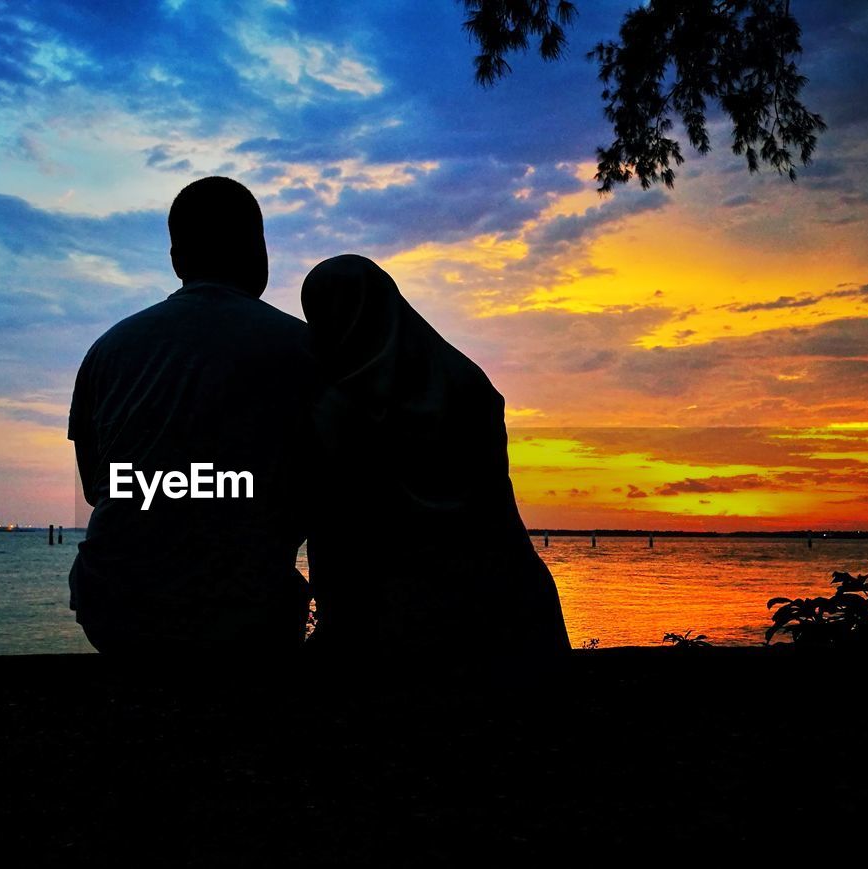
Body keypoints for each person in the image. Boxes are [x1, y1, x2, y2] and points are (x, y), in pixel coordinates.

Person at [67, 177, 315, 664]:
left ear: (177, 258)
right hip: (249, 617)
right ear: (258, 250)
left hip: (115, 613)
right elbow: (325, 494)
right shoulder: (305, 347)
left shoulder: (108, 348)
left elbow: (98, 487)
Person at [301, 254, 570, 665]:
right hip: (509, 603)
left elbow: (334, 535)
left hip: (396, 623)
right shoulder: (468, 383)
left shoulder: (337, 411)